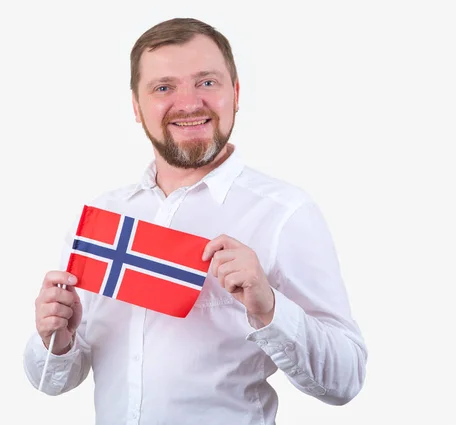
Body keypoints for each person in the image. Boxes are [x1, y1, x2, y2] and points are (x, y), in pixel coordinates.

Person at [23, 17, 367, 425]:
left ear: (235, 94)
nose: (188, 103)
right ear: (136, 106)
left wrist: (270, 307)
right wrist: (55, 341)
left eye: (206, 82)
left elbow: (346, 379)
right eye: (164, 87)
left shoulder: (284, 213)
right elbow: (53, 381)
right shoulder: (104, 219)